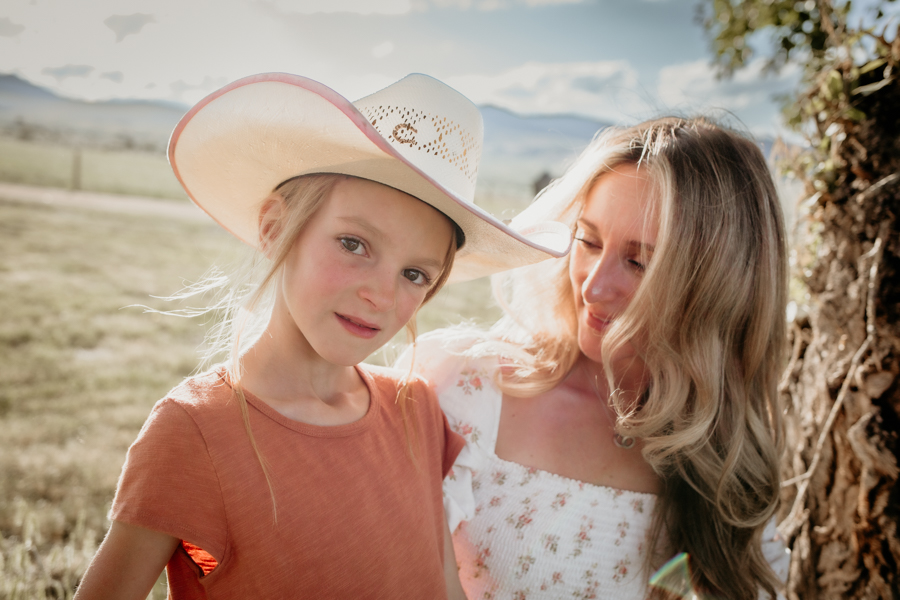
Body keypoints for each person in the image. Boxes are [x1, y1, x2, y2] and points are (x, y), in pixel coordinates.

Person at [73, 72, 570, 599]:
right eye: (354, 244)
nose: (380, 294)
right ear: (275, 229)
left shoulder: (416, 411)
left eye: (414, 274)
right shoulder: (194, 432)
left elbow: (440, 585)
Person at [401, 117, 791, 599]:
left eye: (639, 262)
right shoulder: (465, 387)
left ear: (717, 289)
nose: (593, 285)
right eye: (587, 241)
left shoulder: (727, 458)